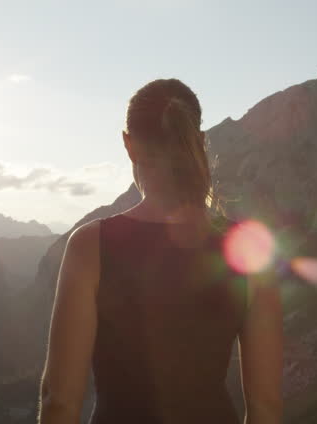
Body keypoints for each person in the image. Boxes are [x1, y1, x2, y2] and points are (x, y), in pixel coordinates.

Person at [38, 79, 283, 423]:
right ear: (198, 141)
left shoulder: (90, 246)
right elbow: (266, 406)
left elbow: (59, 400)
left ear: (129, 145)